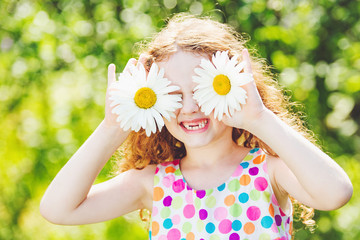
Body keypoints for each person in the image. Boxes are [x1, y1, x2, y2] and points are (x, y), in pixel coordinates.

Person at [40, 14, 353, 240]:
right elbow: (58, 210)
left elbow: (335, 194)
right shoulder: (151, 184)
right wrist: (113, 127)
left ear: (235, 86)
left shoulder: (268, 172)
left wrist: (259, 119)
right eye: (173, 95)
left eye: (204, 89)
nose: (189, 107)